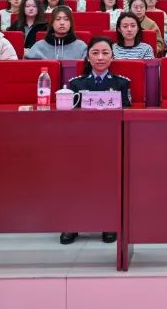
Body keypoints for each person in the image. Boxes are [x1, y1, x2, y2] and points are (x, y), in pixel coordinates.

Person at [58, 36, 132, 246]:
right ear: (88, 57)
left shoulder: (122, 83)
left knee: (110, 180)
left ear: (112, 57)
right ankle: (72, 223)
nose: (100, 57)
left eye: (105, 53)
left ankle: (109, 223)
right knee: (75, 179)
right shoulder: (76, 84)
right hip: (82, 142)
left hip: (112, 140)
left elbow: (126, 113)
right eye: (95, 53)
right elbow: (69, 118)